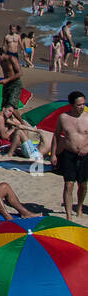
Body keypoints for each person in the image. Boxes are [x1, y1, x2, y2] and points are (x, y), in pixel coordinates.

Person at [53, 91, 88, 219]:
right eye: (79, 105)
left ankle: (79, 207)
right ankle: (69, 215)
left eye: (83, 104)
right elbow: (56, 135)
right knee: (69, 184)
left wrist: (86, 148)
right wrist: (53, 155)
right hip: (68, 154)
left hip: (84, 156)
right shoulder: (63, 118)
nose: (82, 107)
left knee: (83, 185)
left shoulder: (87, 117)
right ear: (72, 105)